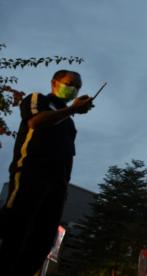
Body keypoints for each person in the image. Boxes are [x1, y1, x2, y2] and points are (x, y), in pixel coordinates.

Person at [0, 70, 93, 275]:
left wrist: (64, 186)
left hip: (58, 185)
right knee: (16, 226)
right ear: (54, 83)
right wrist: (71, 110)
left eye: (78, 87)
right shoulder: (37, 99)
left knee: (43, 239)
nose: (74, 89)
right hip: (31, 173)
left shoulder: (69, 123)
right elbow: (36, 122)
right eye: (70, 84)